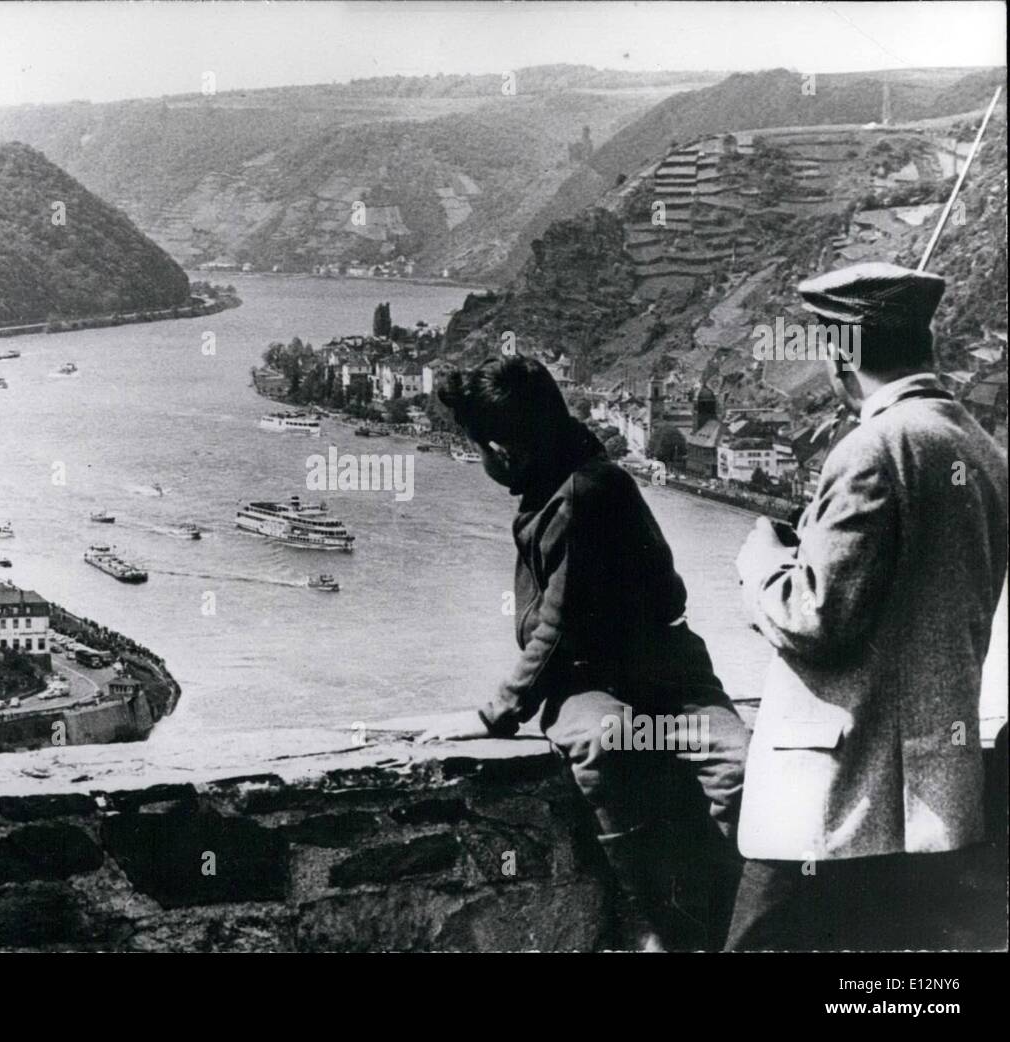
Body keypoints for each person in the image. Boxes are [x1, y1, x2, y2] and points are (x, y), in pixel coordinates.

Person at [418, 355, 749, 950]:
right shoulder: (566, 474)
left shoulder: (584, 492)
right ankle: (649, 917)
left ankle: (732, 926)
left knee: (741, 768)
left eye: (486, 454)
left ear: (504, 448)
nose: (487, 466)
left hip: (665, 676)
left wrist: (491, 718)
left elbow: (555, 626)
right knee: (610, 738)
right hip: (588, 683)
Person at [728, 261, 1009, 950]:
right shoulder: (982, 449)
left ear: (840, 354)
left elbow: (816, 617)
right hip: (929, 803)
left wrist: (762, 562)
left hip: (829, 798)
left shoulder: (872, 449)